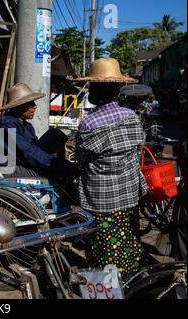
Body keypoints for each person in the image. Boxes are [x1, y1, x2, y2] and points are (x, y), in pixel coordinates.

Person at [75, 58, 148, 277]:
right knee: (128, 236)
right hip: (129, 190)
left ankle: (108, 282)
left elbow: (81, 161)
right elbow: (137, 151)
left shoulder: (88, 123)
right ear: (117, 90)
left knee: (105, 243)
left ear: (93, 91)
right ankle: (131, 278)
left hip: (101, 197)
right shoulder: (132, 117)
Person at [0, 83, 79, 189]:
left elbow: (34, 149)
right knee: (55, 138)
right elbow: (26, 151)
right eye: (30, 104)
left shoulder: (27, 125)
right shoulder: (6, 124)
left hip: (25, 162)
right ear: (18, 107)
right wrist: (53, 163)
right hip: (12, 168)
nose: (34, 106)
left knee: (55, 135)